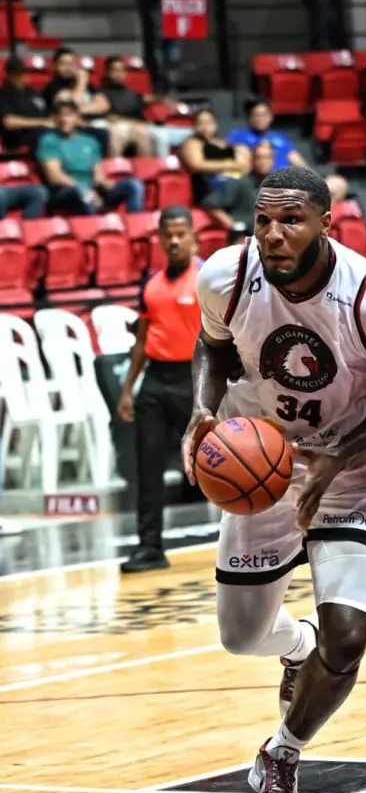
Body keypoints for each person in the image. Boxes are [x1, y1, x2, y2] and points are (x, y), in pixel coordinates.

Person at [181, 165, 366, 793]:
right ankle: (298, 646)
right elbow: (210, 349)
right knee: (242, 637)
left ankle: (282, 753)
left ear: (328, 221)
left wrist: (339, 455)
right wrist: (203, 409)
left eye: (290, 219)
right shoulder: (224, 276)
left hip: (347, 467)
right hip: (261, 461)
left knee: (347, 638)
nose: (272, 233)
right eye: (262, 220)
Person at [117, 207, 202, 573]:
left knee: (225, 461)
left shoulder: (205, 279)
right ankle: (149, 547)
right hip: (154, 380)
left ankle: (254, 541)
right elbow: (141, 340)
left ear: (193, 236)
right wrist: (127, 389)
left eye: (181, 233)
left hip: (195, 379)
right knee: (148, 467)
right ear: (159, 238)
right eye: (168, 234)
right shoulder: (150, 284)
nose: (174, 240)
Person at [37, 99, 145, 215]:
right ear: (54, 118)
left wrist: (104, 182)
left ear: (77, 117)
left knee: (133, 185)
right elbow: (54, 177)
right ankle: (94, 226)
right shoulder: (49, 141)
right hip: (65, 191)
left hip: (92, 189)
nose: (64, 119)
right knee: (82, 192)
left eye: (69, 115)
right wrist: (85, 189)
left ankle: (133, 221)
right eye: (60, 115)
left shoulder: (89, 141)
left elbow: (98, 173)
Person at [197, 140, 277, 232]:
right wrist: (233, 226)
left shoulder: (277, 186)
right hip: (245, 236)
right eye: (259, 158)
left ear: (273, 160)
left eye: (267, 158)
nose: (263, 162)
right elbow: (210, 204)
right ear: (252, 160)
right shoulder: (239, 183)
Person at [180, 108, 250, 208]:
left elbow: (243, 165)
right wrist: (230, 164)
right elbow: (197, 164)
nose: (205, 127)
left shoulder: (224, 142)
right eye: (201, 123)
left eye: (208, 122)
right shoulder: (193, 142)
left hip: (232, 180)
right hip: (207, 185)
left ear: (215, 124)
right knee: (236, 185)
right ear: (194, 126)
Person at [226, 97, 307, 168]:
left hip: (283, 181)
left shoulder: (280, 137)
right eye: (256, 115)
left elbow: (298, 162)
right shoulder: (239, 136)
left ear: (271, 116)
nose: (260, 119)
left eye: (264, 115)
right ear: (249, 118)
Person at [0, 56, 51, 153]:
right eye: (15, 74)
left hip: (41, 131)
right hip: (20, 138)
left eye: (22, 73)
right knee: (47, 137)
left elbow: (46, 112)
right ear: (7, 75)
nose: (19, 76)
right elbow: (9, 122)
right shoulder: (3, 94)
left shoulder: (33, 92)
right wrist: (42, 122)